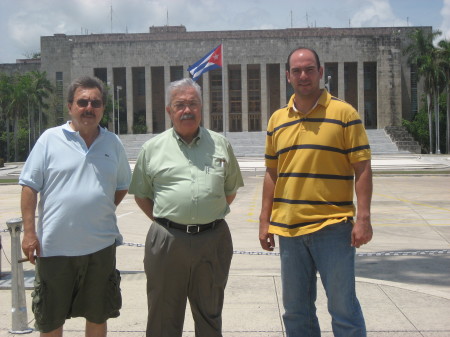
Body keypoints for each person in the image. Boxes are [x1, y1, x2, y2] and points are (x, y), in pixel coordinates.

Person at [259, 47, 373, 337]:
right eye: (296, 71)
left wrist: (363, 218)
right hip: (289, 230)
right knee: (296, 312)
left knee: (343, 309)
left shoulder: (344, 113)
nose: (303, 76)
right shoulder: (277, 120)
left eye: (309, 69)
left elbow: (362, 168)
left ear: (321, 72)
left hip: (332, 228)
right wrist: (265, 220)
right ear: (287, 77)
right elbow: (272, 173)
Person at [128, 77, 244, 337]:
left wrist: (206, 216)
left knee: (210, 315)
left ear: (201, 108)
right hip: (168, 241)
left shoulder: (221, 144)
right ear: (169, 111)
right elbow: (142, 195)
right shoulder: (152, 148)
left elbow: (230, 191)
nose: (187, 110)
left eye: (193, 104)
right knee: (163, 319)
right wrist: (168, 222)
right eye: (180, 105)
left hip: (213, 240)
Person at [20, 75, 132, 337]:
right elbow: (29, 186)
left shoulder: (112, 143)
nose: (89, 108)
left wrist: (98, 209)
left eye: (96, 103)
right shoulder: (50, 139)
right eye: (82, 102)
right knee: (50, 319)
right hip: (55, 249)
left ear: (103, 108)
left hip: (100, 249)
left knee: (97, 316)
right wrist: (29, 232)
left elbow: (122, 185)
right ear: (70, 106)